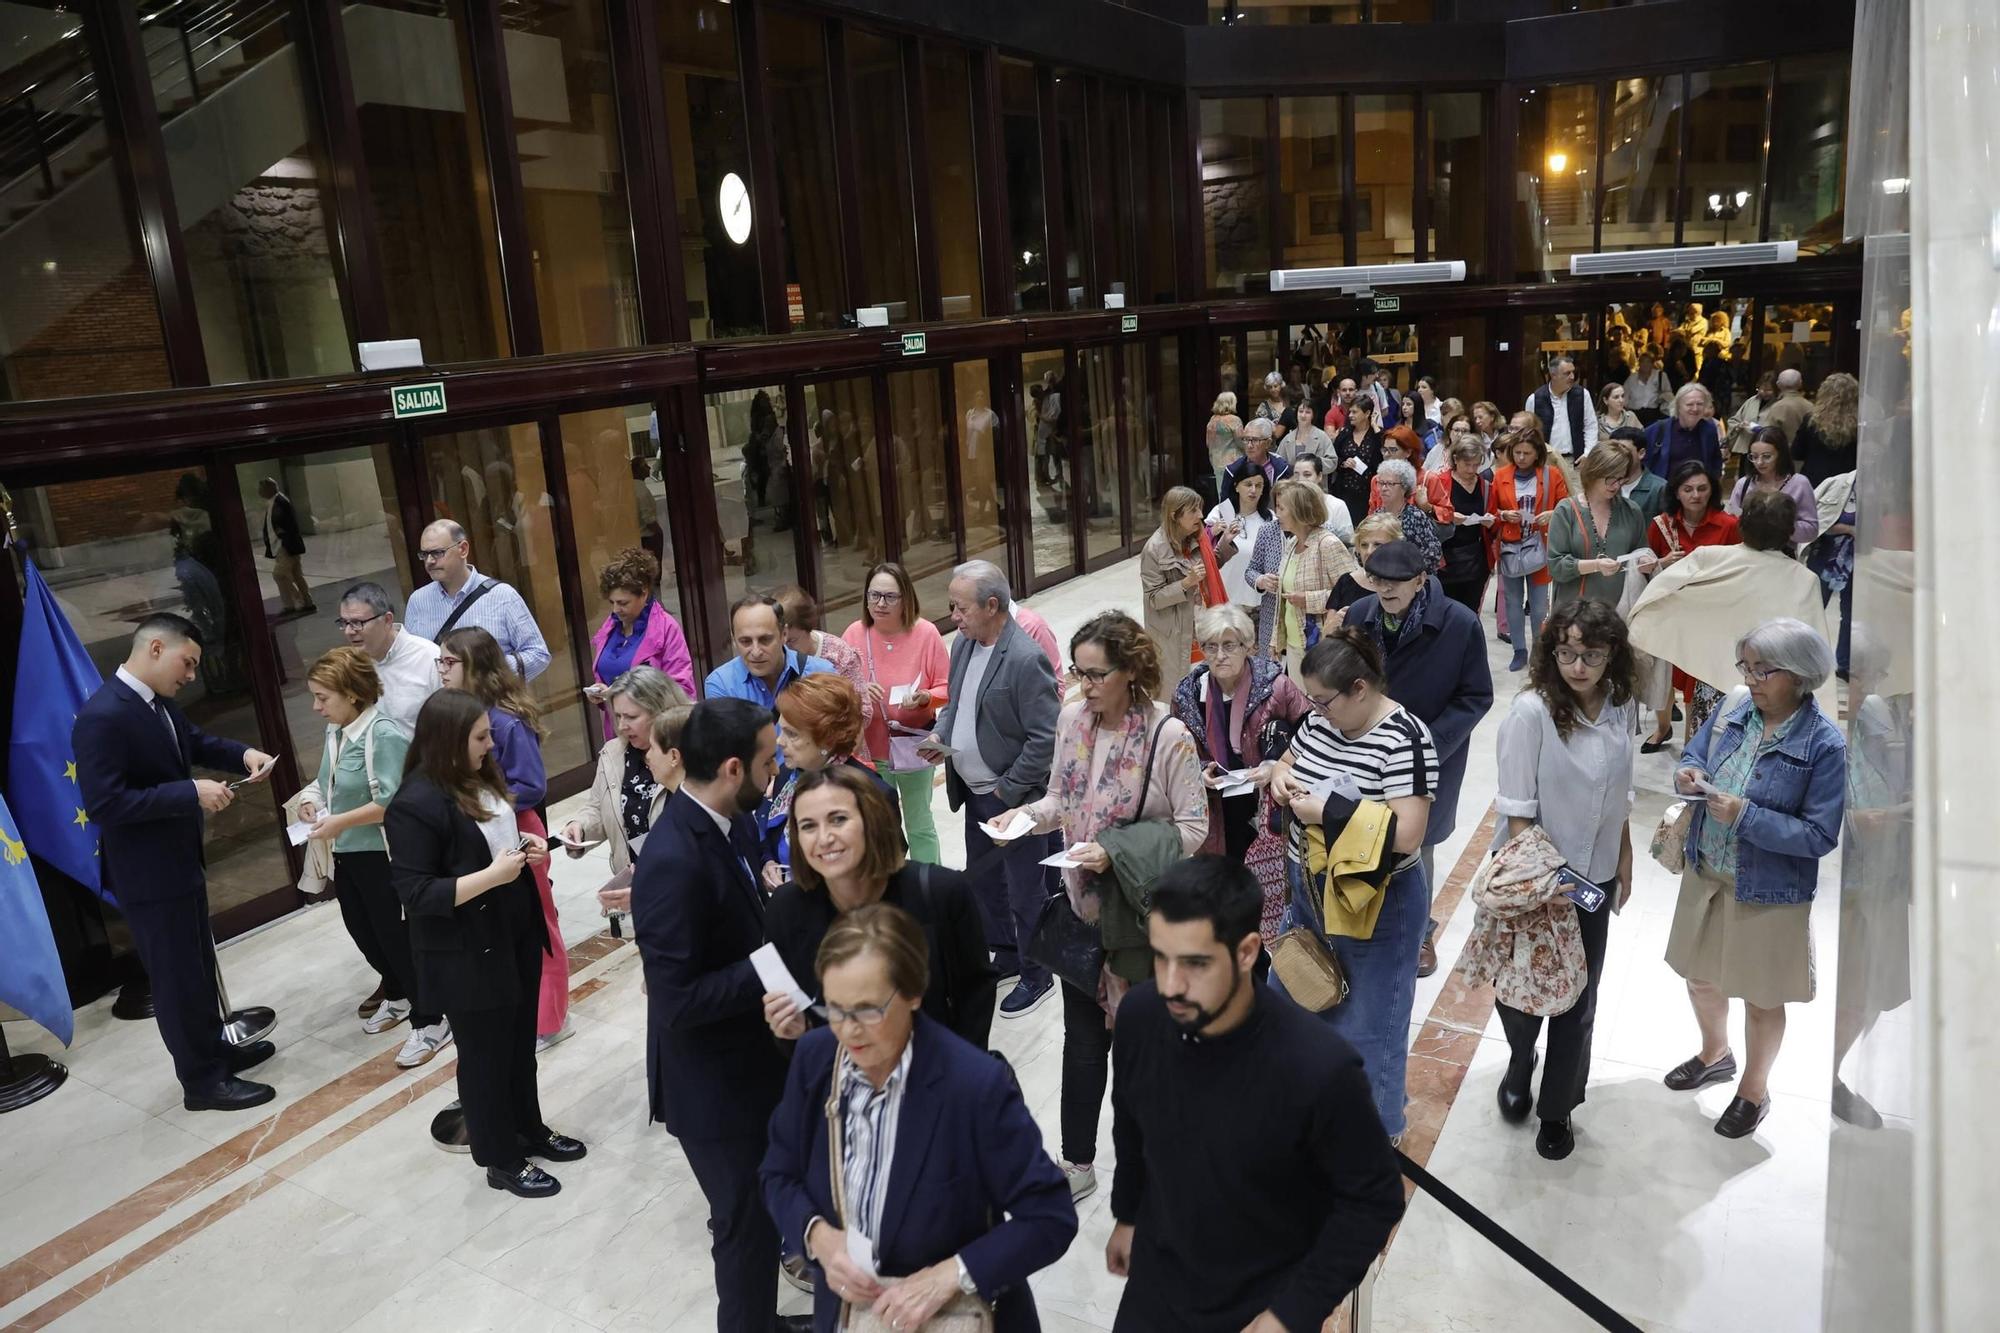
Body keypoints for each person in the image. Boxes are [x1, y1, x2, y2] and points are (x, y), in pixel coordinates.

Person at [1105, 858, 1405, 1330]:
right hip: (1158, 1281)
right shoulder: (1142, 1017)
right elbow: (1130, 1121)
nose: (1170, 984)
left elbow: (1374, 1200)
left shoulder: (1318, 1067)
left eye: (1195, 963)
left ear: (1246, 952)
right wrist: (1127, 1212)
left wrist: (1292, 1312)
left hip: (1256, 1302)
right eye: (1161, 957)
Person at [760, 904, 1077, 1332]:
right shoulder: (816, 1060)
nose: (849, 1030)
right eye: (835, 1010)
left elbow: (1050, 1215)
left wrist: (951, 1275)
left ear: (913, 993)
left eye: (868, 1009)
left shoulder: (974, 1086)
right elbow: (778, 1173)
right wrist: (816, 1235)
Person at [993, 612, 1208, 1205]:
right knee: (1082, 1043)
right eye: (1078, 673)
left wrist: (1114, 852)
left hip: (1141, 922)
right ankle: (1078, 1161)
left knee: (1150, 1050)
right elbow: (1062, 798)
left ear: (1132, 669)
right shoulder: (1072, 719)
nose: (1082, 686)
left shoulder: (1170, 737)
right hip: (1084, 913)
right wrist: (1025, 819)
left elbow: (1193, 827)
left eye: (1095, 674)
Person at [632, 698, 794, 1330]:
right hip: (714, 1087)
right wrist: (771, 963)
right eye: (767, 759)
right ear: (732, 768)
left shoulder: (731, 820)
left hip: (751, 1061)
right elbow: (676, 1000)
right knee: (743, 1227)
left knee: (762, 1216)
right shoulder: (674, 860)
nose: (775, 769)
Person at [73, 614, 279, 1111]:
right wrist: (188, 792)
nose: (191, 676)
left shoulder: (154, 702)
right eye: (187, 664)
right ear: (157, 648)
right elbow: (106, 804)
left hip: (178, 860)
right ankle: (202, 1082)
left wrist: (243, 753)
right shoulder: (103, 716)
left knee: (198, 967)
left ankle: (215, 1054)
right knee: (175, 978)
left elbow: (195, 743)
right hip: (147, 873)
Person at [385, 690, 582, 1197]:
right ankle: (500, 1158)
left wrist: (526, 849)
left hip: (512, 930)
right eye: (479, 736)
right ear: (449, 741)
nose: (490, 743)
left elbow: (497, 843)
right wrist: (492, 876)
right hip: (465, 951)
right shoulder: (413, 804)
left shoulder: (481, 777)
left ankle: (530, 1129)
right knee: (485, 1057)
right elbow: (417, 892)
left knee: (520, 1046)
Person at [1664, 619, 1845, 1138]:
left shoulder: (1823, 745)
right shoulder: (1735, 707)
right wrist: (1690, 773)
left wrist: (1745, 816)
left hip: (1769, 889)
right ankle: (1714, 1053)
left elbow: (1819, 835)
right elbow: (1698, 752)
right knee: (1700, 977)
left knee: (1761, 997)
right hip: (1707, 869)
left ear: (1803, 675)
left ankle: (1754, 1089)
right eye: (1747, 666)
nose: (1753, 678)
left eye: (1765, 670)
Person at [1267, 629, 1438, 1140]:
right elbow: (1291, 760)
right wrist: (1279, 776)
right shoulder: (1321, 724)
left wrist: (1329, 811)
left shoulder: (1404, 736)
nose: (1315, 712)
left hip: (1375, 901)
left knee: (1372, 1024)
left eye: (1324, 701)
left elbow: (1408, 834)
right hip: (1310, 891)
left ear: (1360, 689)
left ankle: (1376, 1133)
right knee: (1292, 1002)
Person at [1486, 602, 1637, 1160]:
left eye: (1591, 655)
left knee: (1580, 998)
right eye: (1568, 653)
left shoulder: (1622, 705)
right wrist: (1546, 879)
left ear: (1611, 656)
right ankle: (1521, 1058)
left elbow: (1623, 791)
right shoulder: (1532, 712)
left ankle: (1558, 1107)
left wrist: (1622, 854)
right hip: (1539, 883)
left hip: (1593, 877)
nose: (1578, 666)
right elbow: (1518, 808)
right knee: (1525, 994)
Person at [1345, 537, 1495, 980]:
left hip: (1429, 756)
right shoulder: (1359, 616)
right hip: (1366, 751)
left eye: (1396, 583)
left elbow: (1476, 696)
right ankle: (1363, 921)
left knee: (1416, 845)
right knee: (1363, 833)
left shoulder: (1459, 624)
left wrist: (1426, 743)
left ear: (1421, 579)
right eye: (1377, 581)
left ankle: (1419, 932)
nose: (1385, 591)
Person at [761, 767, 996, 1048]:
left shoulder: (941, 893)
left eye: (838, 819)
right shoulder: (784, 910)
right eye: (808, 826)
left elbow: (975, 993)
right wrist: (798, 1029)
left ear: (871, 821)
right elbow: (797, 1023)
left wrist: (955, 1073)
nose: (824, 838)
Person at [297, 648, 449, 1068]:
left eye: (323, 697)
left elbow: (395, 800)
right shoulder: (337, 732)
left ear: (351, 693)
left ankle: (431, 1020)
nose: (315, 707)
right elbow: (326, 780)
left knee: (399, 941)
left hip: (382, 856)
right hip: (347, 853)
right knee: (363, 932)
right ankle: (398, 996)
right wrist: (312, 800)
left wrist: (340, 821)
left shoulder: (382, 734)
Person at [922, 560, 1061, 1019]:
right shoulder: (964, 645)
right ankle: (1005, 955)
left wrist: (1009, 790)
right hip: (975, 791)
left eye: (960, 608)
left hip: (1013, 799)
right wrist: (941, 737)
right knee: (985, 883)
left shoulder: (1024, 658)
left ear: (992, 605)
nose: (953, 618)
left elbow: (1045, 738)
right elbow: (956, 703)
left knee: (1026, 891)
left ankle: (1039, 972)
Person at [441, 627, 570, 1052]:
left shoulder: (507, 722)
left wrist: (483, 802)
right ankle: (524, 1008)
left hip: (519, 830)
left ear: (474, 667)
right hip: (484, 831)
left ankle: (551, 1018)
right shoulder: (462, 716)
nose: (440, 670)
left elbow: (531, 786)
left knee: (538, 922)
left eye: (449, 662)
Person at [1628, 491, 1835, 743]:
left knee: (1705, 762)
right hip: (1770, 689)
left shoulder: (1710, 558)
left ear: (1742, 523)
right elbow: (1813, 648)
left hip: (1712, 683)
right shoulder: (1803, 579)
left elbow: (1655, 597)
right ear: (1788, 530)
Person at [1172, 606, 1310, 907]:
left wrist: (1276, 766)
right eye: (1211, 646)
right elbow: (1177, 751)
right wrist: (1198, 771)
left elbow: (1310, 732)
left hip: (1263, 801)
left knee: (1265, 886)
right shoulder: (1187, 693)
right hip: (1215, 803)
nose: (1219, 655)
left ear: (1248, 647)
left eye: (1229, 645)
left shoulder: (1276, 686)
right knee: (1224, 885)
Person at [561, 665, 690, 922]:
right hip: (639, 893)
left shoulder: (688, 753)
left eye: (631, 717)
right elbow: (597, 806)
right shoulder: (614, 753)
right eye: (617, 716)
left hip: (684, 892)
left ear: (659, 710)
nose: (622, 726)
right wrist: (579, 827)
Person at [842, 562, 951, 864]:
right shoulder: (854, 634)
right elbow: (838, 688)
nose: (880, 603)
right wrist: (860, 691)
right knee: (883, 827)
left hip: (914, 746)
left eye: (890, 596)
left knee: (920, 823)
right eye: (873, 595)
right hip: (870, 747)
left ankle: (929, 887)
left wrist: (926, 698)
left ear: (906, 599)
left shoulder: (926, 634)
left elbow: (946, 687)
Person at [758, 672, 900, 886]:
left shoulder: (874, 793)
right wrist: (769, 863)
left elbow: (887, 870)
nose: (779, 741)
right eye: (781, 731)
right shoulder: (787, 776)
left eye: (792, 734)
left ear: (826, 738)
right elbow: (773, 837)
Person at [1641, 461, 1741, 751]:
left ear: (1712, 490)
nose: (1695, 495)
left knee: (1696, 679)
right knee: (1662, 674)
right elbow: (1645, 567)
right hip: (1669, 611)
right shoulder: (1661, 524)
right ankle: (1662, 728)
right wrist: (1663, 562)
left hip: (1708, 615)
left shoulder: (1729, 526)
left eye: (1702, 488)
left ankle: (1692, 745)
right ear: (1677, 492)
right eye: (1688, 489)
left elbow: (1739, 567)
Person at [403, 520, 551, 680]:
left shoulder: (503, 596)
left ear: (463, 549)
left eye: (437, 553)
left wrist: (486, 672)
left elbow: (538, 654)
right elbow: (413, 661)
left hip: (494, 701)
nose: (429, 561)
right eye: (424, 554)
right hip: (444, 702)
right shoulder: (417, 601)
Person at [588, 548, 696, 734]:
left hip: (656, 733)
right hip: (619, 731)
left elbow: (682, 690)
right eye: (612, 602)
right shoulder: (611, 625)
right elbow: (607, 672)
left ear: (644, 594)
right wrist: (601, 691)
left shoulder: (666, 628)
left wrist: (629, 695)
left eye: (623, 603)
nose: (615, 610)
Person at [1141, 486, 1236, 693]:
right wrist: (1186, 583)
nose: (1201, 515)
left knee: (1208, 691)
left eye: (1200, 509)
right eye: (1193, 511)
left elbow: (1210, 567)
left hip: (1204, 625)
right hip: (1176, 634)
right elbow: (1153, 598)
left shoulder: (1196, 536)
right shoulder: (1154, 549)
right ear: (1175, 515)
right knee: (1179, 693)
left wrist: (1226, 542)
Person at [1262, 479, 1359, 680]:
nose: (1277, 514)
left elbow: (1353, 593)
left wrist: (1309, 599)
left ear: (1300, 511)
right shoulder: (1291, 543)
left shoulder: (1327, 544)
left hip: (1322, 645)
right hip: (1293, 643)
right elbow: (1283, 601)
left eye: (1281, 508)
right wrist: (1276, 640)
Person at [1492, 428, 1568, 671]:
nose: (1521, 457)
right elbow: (1491, 512)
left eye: (1527, 453)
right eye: (1517, 452)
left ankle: (1539, 651)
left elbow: (1566, 507)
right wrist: (1504, 514)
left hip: (1540, 545)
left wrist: (1553, 513)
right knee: (1513, 602)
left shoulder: (1552, 474)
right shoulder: (1501, 474)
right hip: (1511, 546)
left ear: (1538, 454)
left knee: (1538, 606)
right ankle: (1519, 650)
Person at [1548, 442, 1656, 612]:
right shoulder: (1566, 510)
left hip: (1617, 613)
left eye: (1621, 479)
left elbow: (1641, 550)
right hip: (1572, 614)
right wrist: (1595, 565)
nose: (1616, 485)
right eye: (1610, 478)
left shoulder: (1631, 510)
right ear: (1593, 473)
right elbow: (1556, 566)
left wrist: (1645, 562)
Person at [336, 582, 440, 734]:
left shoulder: (429, 658)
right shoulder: (350, 665)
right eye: (344, 623)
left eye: (357, 623)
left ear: (387, 620)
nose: (349, 631)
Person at [705, 592, 835, 706]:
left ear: (784, 634)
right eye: (745, 641)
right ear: (734, 641)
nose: (756, 652)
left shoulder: (822, 674)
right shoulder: (721, 684)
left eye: (765, 640)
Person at [1430, 435, 1496, 614]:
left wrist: (1492, 521)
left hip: (1475, 557)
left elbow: (1494, 518)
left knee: (1470, 612)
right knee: (1443, 611)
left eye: (1476, 464)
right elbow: (1428, 512)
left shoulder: (1486, 486)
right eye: (1467, 464)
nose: (1472, 469)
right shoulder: (1440, 481)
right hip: (1445, 558)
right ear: (1455, 459)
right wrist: (1449, 516)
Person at [1727, 430, 1821, 547]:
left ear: (1781, 455)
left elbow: (1811, 530)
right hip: (1747, 552)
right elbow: (1731, 522)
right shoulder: (1743, 484)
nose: (1759, 462)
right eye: (1754, 457)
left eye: (1767, 456)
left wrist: (1779, 527)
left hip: (1783, 555)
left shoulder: (1799, 484)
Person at [1207, 466, 1271, 613]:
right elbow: (1201, 550)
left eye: (1258, 485)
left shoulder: (1271, 519)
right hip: (1224, 597)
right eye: (1248, 484)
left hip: (1257, 600)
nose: (1253, 490)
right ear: (1236, 487)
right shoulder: (1219, 513)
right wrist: (1212, 531)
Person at [1368, 459, 1442, 573]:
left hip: (1411, 579)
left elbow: (1433, 553)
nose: (1383, 488)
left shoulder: (1416, 516)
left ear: (1404, 487)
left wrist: (1405, 571)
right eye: (1381, 483)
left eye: (1390, 484)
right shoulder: (1376, 516)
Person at [1790, 371, 1860, 488]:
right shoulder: (1859, 424)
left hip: (1814, 482)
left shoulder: (1811, 420)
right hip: (1846, 483)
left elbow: (1797, 453)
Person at [1642, 384, 1722, 482]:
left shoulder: (1709, 429)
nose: (1695, 409)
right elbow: (1641, 461)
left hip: (1697, 494)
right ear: (1678, 406)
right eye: (1689, 404)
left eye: (1700, 404)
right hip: (1665, 493)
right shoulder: (1658, 429)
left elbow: (1716, 460)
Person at [257, 477, 313, 614]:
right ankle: (306, 602)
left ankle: (293, 602)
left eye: (261, 487)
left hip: (285, 547)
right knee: (296, 575)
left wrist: (283, 537)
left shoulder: (280, 502)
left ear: (270, 488)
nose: (259, 491)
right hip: (282, 546)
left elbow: (287, 524)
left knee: (280, 575)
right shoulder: (274, 502)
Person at [1527, 355, 1598, 464]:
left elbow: (1591, 426)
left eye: (1573, 372)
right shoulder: (1535, 399)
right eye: (1567, 373)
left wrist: (1587, 453)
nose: (1572, 377)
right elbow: (1529, 432)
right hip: (1546, 461)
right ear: (1553, 375)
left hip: (1575, 461)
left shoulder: (1582, 395)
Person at [1325, 392, 1381, 528]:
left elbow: (1383, 460)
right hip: (1344, 492)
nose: (1350, 415)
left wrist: (1376, 428)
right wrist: (1344, 463)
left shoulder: (1376, 435)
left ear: (1367, 413)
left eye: (1355, 412)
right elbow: (1333, 459)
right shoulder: (1344, 434)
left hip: (1367, 494)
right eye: (1350, 412)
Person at [1329, 513, 1401, 613]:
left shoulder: (1405, 584)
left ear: (1395, 546)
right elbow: (1328, 627)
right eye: (1364, 545)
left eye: (1377, 544)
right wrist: (1335, 622)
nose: (1369, 551)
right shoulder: (1346, 582)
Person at [1285, 453, 1357, 545]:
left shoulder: (1336, 505)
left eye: (1307, 475)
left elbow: (1349, 543)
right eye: (1296, 474)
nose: (1300, 480)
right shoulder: (1287, 505)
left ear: (1319, 476)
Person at [1220, 418, 1293, 502]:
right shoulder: (1232, 470)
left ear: (1268, 443)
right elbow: (1224, 504)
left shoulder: (1282, 469)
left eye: (1255, 440)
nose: (1249, 445)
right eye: (1246, 439)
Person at [1606, 427, 1666, 520]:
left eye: (1625, 451)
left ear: (1641, 453)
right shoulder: (1603, 485)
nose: (1618, 456)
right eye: (1614, 451)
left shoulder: (1659, 489)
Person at [1759, 367, 1816, 453]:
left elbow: (1768, 436)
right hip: (1806, 457)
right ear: (1800, 384)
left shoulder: (1777, 408)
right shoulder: (1811, 406)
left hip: (1784, 457)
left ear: (1778, 385)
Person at [1205, 391, 1244, 498]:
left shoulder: (1212, 421)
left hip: (1217, 462)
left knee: (1222, 493)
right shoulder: (1234, 420)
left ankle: (1224, 513)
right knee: (1235, 493)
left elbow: (1208, 443)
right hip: (1233, 462)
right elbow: (1241, 442)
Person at [1624, 351, 1673, 425]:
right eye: (1643, 361)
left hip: (1653, 415)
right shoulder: (1632, 378)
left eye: (1648, 362)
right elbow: (1625, 396)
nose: (1645, 364)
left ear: (1652, 364)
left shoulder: (1660, 376)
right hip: (1634, 414)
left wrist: (1661, 398)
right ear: (1639, 363)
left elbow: (1668, 394)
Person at [1278, 399, 1332, 466]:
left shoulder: (1322, 436)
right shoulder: (1287, 438)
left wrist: (1314, 464)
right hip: (1293, 476)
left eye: (1308, 412)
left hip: (1316, 476)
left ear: (1313, 415)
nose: (1303, 415)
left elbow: (1332, 461)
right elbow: (1278, 462)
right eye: (1300, 411)